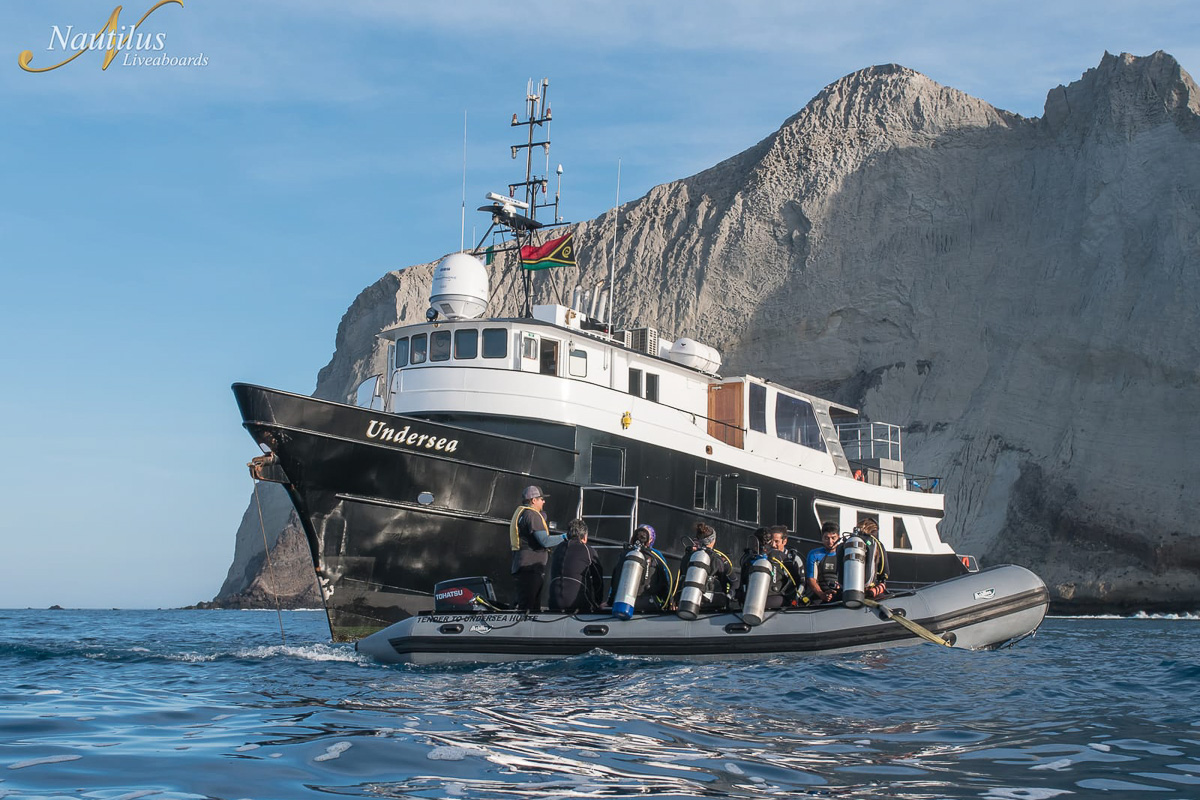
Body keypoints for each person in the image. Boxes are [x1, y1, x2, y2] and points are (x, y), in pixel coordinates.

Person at [510, 485, 566, 611]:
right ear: (533, 500)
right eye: (541, 499)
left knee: (529, 604)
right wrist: (565, 537)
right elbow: (545, 541)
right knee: (528, 606)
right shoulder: (532, 516)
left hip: (524, 565)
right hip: (530, 567)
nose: (544, 501)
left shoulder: (524, 514)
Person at [608, 524, 674, 613]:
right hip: (649, 604)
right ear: (651, 540)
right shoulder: (656, 555)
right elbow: (665, 581)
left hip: (623, 602)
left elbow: (615, 580)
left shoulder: (625, 554)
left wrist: (609, 602)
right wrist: (670, 602)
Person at [675, 523, 738, 612]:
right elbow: (734, 582)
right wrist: (729, 597)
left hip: (688, 606)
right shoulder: (719, 560)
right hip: (713, 607)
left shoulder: (687, 557)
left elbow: (679, 580)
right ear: (713, 540)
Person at [549, 519, 604, 612]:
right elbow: (598, 580)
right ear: (585, 536)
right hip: (578, 603)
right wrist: (598, 602)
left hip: (554, 602)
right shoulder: (588, 550)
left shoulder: (558, 549)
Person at [737, 527, 787, 610]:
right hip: (775, 600)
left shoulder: (748, 558)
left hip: (750, 601)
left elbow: (743, 581)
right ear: (771, 541)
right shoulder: (780, 556)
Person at [765, 525, 805, 606]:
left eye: (776, 541)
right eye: (770, 541)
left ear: (784, 541)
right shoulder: (764, 558)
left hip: (787, 601)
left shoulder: (793, 559)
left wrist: (795, 599)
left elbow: (802, 583)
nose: (773, 545)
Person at [805, 522, 842, 604]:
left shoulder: (843, 554)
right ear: (821, 538)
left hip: (839, 595)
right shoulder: (814, 554)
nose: (830, 542)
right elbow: (811, 579)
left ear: (838, 538)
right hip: (818, 596)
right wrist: (821, 594)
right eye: (826, 538)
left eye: (833, 538)